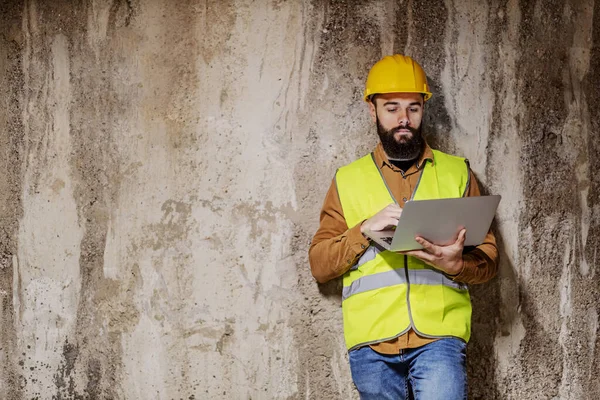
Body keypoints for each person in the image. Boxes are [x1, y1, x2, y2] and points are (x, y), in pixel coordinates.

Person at [308, 54, 499, 400]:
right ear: (372, 110)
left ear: (424, 109)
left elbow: (488, 258)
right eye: (392, 107)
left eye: (413, 107)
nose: (403, 119)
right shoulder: (347, 180)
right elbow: (320, 266)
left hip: (439, 337)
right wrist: (363, 229)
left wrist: (458, 265)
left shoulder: (457, 173)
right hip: (371, 342)